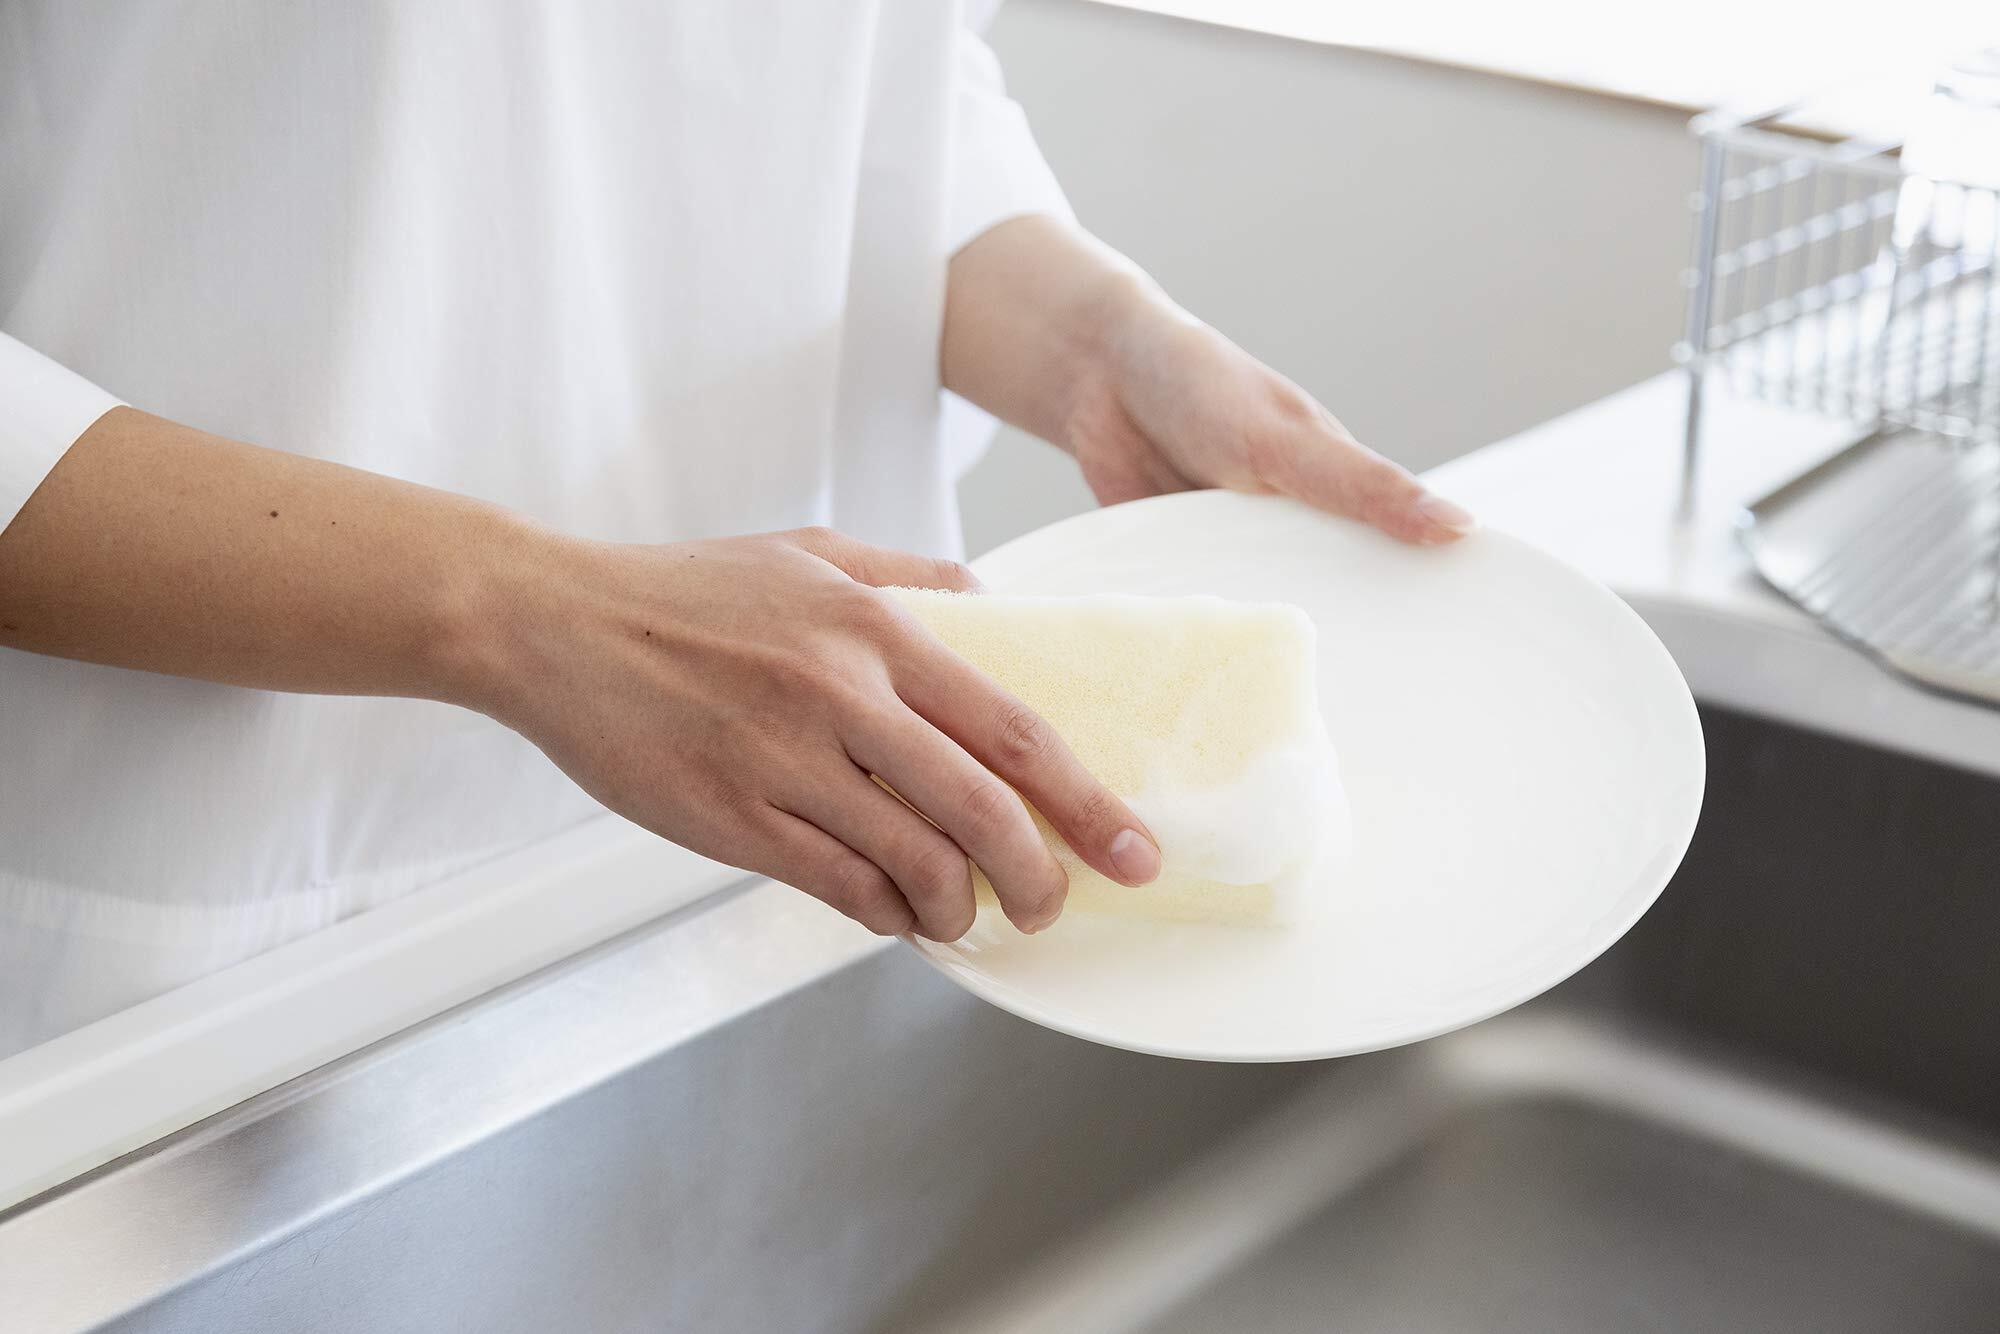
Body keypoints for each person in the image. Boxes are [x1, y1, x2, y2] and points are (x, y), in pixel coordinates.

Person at [0, 2, 1472, 1057]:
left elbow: (863, 92)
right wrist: (538, 616)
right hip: (221, 954)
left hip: (818, 849)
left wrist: (1096, 343)